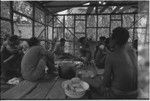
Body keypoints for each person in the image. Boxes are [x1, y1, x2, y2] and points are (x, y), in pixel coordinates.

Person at [103, 27, 138, 99]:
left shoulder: (111, 56)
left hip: (119, 94)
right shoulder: (134, 52)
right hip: (136, 93)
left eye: (111, 37)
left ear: (115, 40)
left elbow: (106, 82)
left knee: (96, 85)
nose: (109, 39)